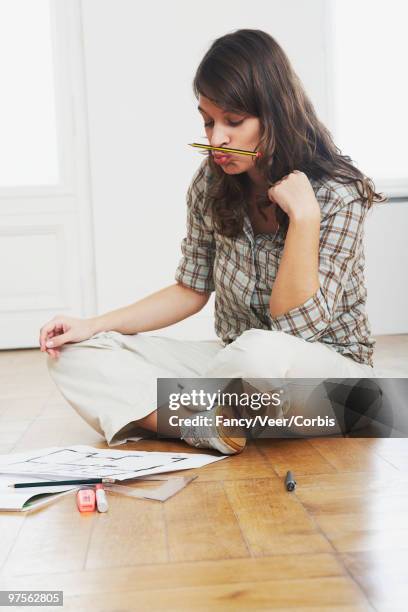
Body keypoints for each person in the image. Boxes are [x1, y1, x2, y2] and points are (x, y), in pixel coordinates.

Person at [39, 29, 386, 455]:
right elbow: (190, 289)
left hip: (331, 385)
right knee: (78, 353)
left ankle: (197, 415)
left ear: (273, 115)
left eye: (233, 122)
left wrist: (304, 218)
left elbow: (297, 329)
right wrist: (92, 325)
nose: (216, 138)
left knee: (259, 351)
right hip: (238, 370)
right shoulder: (211, 182)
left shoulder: (336, 192)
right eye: (207, 120)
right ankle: (210, 423)